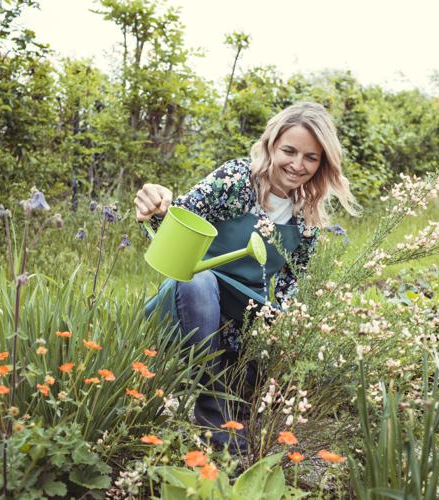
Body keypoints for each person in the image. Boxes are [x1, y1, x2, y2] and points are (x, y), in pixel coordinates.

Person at [134, 101, 360, 452]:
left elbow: (291, 282)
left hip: (245, 314)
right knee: (201, 280)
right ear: (271, 145)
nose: (297, 165)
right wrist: (155, 205)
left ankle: (239, 409)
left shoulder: (306, 214)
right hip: (190, 299)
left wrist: (282, 326)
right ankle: (213, 407)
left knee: (269, 336)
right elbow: (174, 225)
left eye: (311, 158)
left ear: (322, 163)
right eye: (289, 151)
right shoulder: (237, 180)